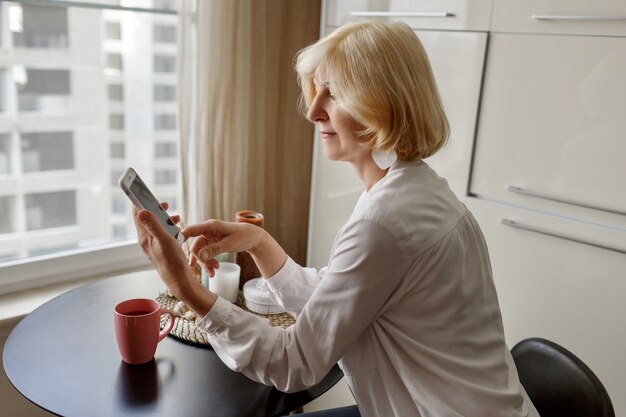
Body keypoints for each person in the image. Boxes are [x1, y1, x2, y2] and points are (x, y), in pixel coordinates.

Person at [133, 21, 539, 417]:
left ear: (383, 103)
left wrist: (183, 287)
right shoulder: (420, 191)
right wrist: (258, 242)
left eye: (335, 92)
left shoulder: (384, 222)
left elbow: (293, 363)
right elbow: (340, 297)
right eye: (317, 89)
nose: (312, 111)